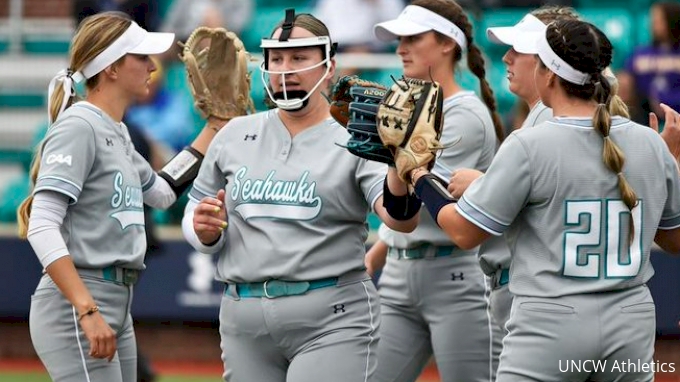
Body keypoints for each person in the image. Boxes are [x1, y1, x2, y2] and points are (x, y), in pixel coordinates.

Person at [409, 18, 680, 382]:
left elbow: (463, 232)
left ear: (549, 74)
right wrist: (669, 162)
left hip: (551, 323)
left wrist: (418, 175)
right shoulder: (650, 142)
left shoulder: (528, 144)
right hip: (630, 318)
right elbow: (672, 240)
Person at [182, 8, 420, 382]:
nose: (285, 68)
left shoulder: (358, 136)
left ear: (328, 67)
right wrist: (204, 231)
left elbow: (401, 218)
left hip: (332, 316)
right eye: (277, 58)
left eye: (298, 58)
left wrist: (397, 162)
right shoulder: (232, 134)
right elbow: (196, 215)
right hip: (243, 317)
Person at [18, 11, 227, 382]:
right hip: (79, 301)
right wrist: (85, 309)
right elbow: (42, 224)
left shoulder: (116, 130)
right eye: (141, 57)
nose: (152, 66)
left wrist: (213, 128)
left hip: (114, 299)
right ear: (111, 68)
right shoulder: (80, 126)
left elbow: (161, 193)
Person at [364, 1, 505, 380]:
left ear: (447, 44)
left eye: (412, 38)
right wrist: (378, 252)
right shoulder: (412, 109)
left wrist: (394, 157)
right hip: (398, 270)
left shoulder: (465, 115)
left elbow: (421, 202)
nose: (400, 48)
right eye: (399, 39)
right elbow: (403, 209)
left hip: (457, 275)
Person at [619, 1, 680, 125]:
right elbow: (625, 80)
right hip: (644, 115)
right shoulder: (641, 53)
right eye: (653, 20)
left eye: (658, 20)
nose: (652, 24)